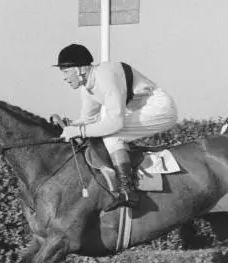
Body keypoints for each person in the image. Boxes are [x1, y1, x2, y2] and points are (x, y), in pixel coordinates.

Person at [54, 43, 178, 211]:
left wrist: (78, 130)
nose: (65, 78)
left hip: (160, 107)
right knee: (106, 132)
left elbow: (115, 123)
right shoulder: (87, 88)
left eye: (66, 72)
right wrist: (69, 126)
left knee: (112, 135)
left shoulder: (105, 75)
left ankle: (128, 190)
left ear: (80, 69)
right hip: (138, 109)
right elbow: (88, 120)